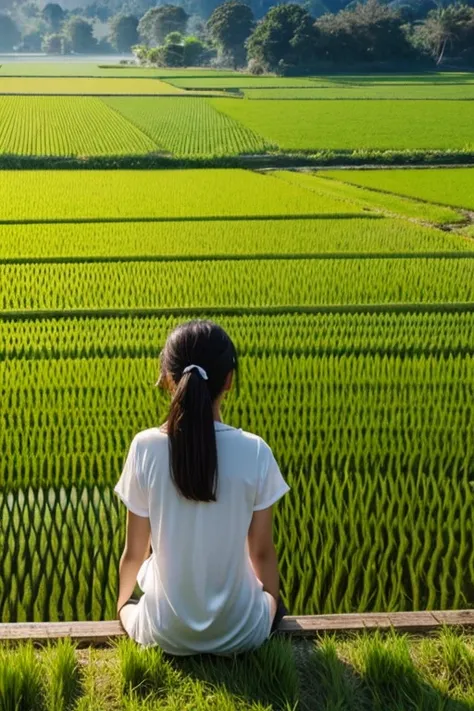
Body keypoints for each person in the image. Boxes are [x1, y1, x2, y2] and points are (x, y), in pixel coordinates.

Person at [114, 319, 290, 655]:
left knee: (133, 602)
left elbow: (135, 553)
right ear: (229, 380)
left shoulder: (144, 447)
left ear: (167, 379)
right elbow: (262, 553)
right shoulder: (255, 451)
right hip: (241, 633)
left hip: (164, 633)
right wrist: (270, 611)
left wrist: (122, 610)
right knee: (270, 601)